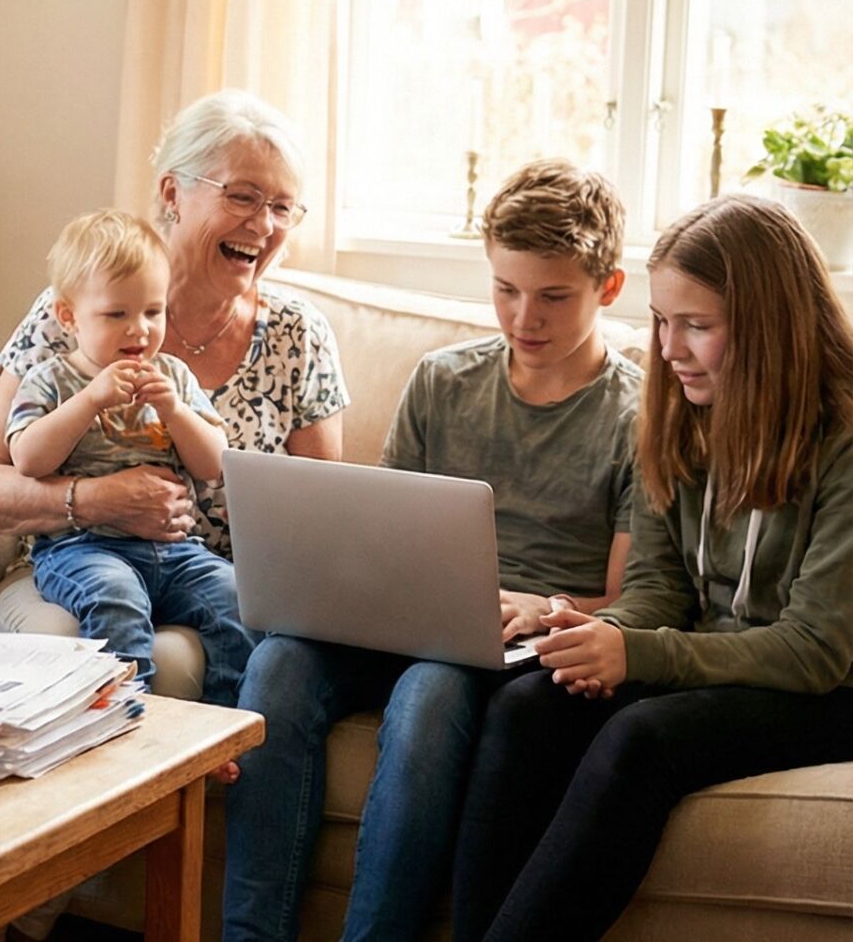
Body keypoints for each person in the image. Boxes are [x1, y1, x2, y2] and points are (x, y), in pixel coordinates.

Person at [220, 160, 641, 941]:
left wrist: (544, 608)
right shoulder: (442, 380)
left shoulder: (635, 416)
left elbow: (626, 601)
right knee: (275, 663)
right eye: (505, 290)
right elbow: (378, 528)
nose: (524, 318)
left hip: (515, 644)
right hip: (400, 616)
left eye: (554, 296)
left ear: (609, 289)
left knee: (430, 695)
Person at [449, 194, 853, 941]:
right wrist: (595, 630)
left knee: (643, 738)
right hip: (724, 656)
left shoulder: (844, 439)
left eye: (697, 326)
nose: (669, 348)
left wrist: (637, 651)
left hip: (829, 688)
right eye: (664, 321)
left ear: (770, 328)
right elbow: (659, 589)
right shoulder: (681, 415)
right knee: (526, 703)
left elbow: (816, 649)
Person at [0, 87, 349, 584]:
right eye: (243, 196)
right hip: (81, 565)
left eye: (282, 207)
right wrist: (97, 500)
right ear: (172, 194)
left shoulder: (298, 336)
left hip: (230, 586)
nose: (264, 224)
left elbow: (327, 512)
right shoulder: (78, 312)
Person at [7, 209, 245, 703]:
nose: (139, 330)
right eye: (117, 314)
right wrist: (89, 400)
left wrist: (175, 411)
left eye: (153, 312)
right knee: (116, 597)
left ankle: (222, 728)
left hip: (178, 551)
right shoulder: (51, 380)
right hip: (82, 549)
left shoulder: (174, 378)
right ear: (69, 316)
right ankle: (127, 721)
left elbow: (214, 464)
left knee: (237, 597)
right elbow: (28, 458)